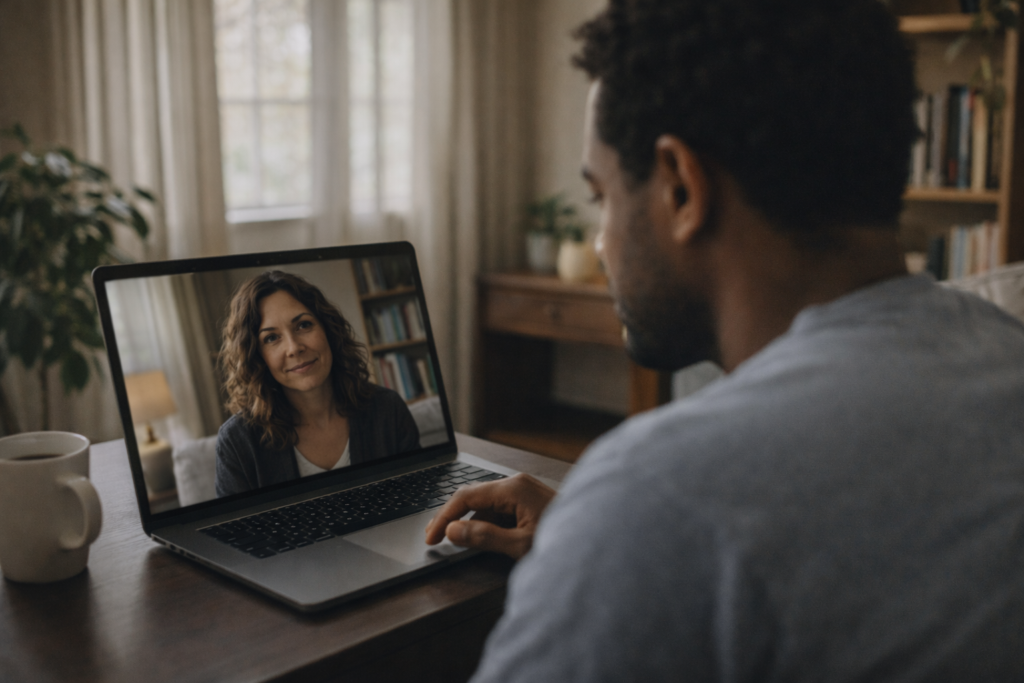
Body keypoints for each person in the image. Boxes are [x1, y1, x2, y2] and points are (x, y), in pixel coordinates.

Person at [425, 0, 1024, 679]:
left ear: (681, 187)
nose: (601, 240)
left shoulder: (656, 495)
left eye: (602, 196)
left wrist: (616, 537)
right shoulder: (1007, 353)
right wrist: (609, 547)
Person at [215, 270, 418, 497]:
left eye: (303, 325)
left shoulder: (388, 410)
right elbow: (237, 532)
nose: (294, 348)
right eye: (271, 338)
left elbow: (419, 501)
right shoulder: (237, 441)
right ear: (257, 357)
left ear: (328, 330)